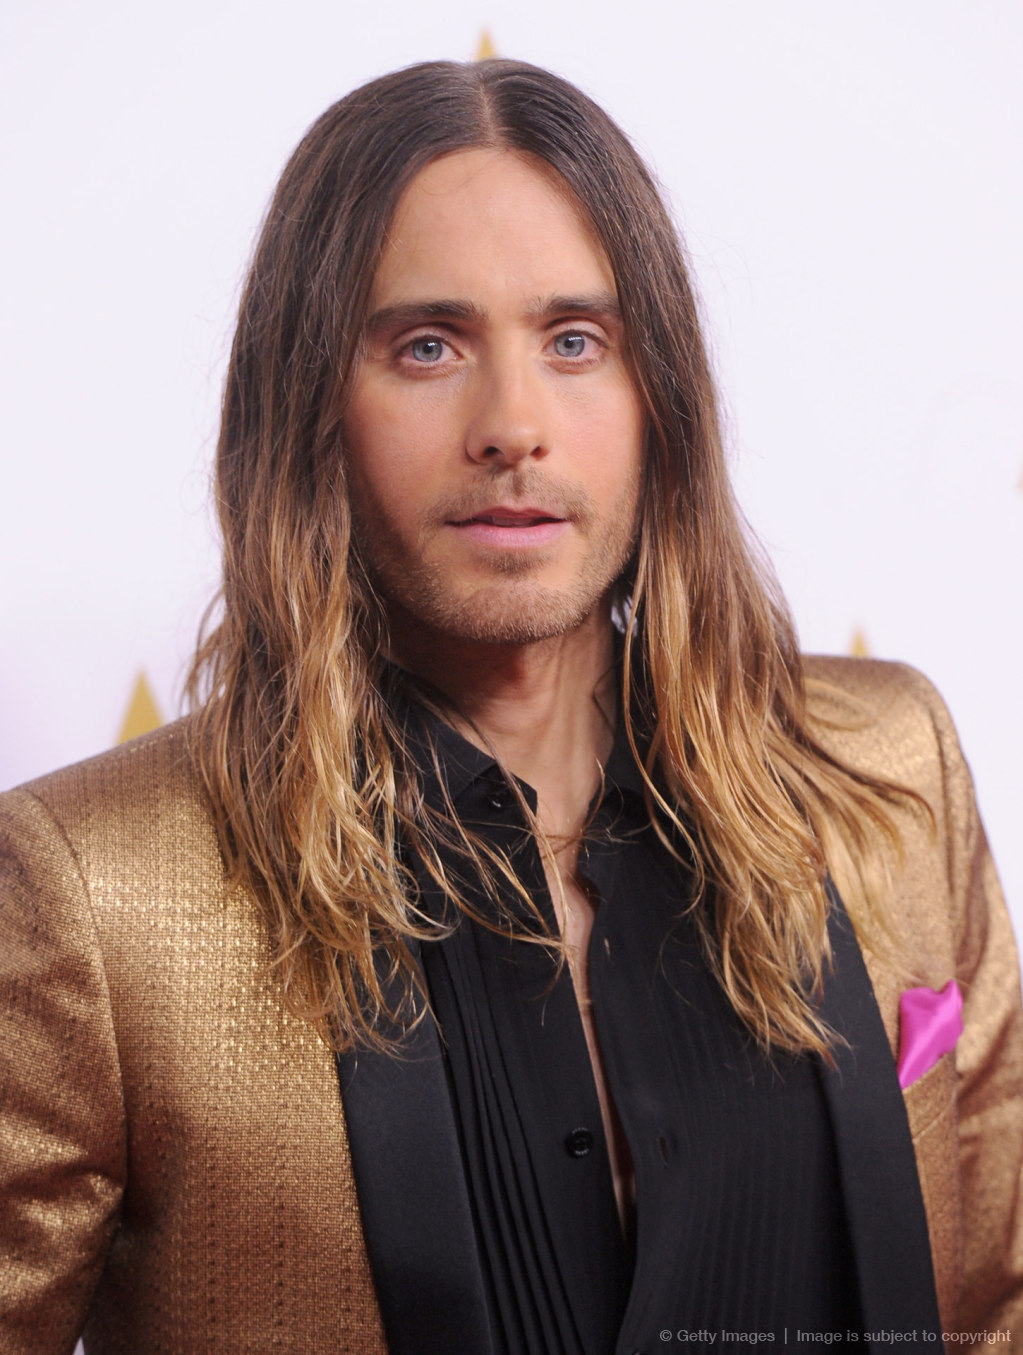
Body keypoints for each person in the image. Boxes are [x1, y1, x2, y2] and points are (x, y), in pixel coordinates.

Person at [1, 58, 1020, 1354]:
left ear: (660, 399)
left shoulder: (891, 768)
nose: (513, 426)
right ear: (308, 406)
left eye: (575, 341)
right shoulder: (92, 892)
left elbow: (997, 1301)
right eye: (427, 346)